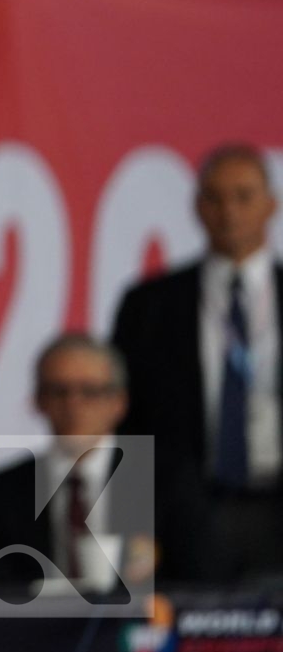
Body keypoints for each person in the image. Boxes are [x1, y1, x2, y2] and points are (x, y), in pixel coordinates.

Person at [113, 143, 283, 582]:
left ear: (272, 204)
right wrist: (130, 527)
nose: (229, 211)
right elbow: (127, 422)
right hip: (185, 512)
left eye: (244, 196)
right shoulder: (149, 304)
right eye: (215, 197)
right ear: (196, 207)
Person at [0, 332, 155, 598]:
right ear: (39, 401)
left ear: (119, 403)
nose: (73, 405)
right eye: (59, 392)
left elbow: (193, 583)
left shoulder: (162, 482)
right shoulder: (2, 490)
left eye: (90, 392)